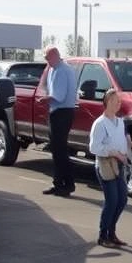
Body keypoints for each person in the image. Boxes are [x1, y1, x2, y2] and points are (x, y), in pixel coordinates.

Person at [89, 89, 130, 248]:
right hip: (106, 164)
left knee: (122, 199)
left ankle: (111, 232)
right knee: (112, 200)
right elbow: (94, 147)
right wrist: (111, 152)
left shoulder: (120, 122)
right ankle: (103, 235)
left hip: (119, 164)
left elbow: (123, 139)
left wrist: (125, 150)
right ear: (106, 103)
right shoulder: (100, 123)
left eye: (119, 101)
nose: (117, 104)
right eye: (114, 101)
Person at [43, 46, 78, 196]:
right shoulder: (53, 69)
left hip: (62, 112)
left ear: (55, 56)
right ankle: (58, 183)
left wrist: (45, 99)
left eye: (47, 57)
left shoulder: (63, 70)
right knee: (57, 150)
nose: (46, 61)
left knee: (60, 151)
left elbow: (59, 96)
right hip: (56, 112)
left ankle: (67, 184)